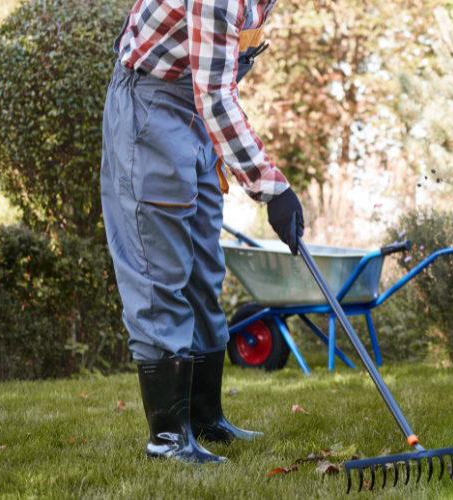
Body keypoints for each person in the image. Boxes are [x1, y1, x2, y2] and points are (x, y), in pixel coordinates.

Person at [100, 0, 303, 464]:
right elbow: (216, 95)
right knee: (160, 272)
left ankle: (207, 419)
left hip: (195, 117)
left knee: (203, 272)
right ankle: (169, 438)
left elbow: (215, 84)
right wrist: (271, 189)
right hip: (150, 108)